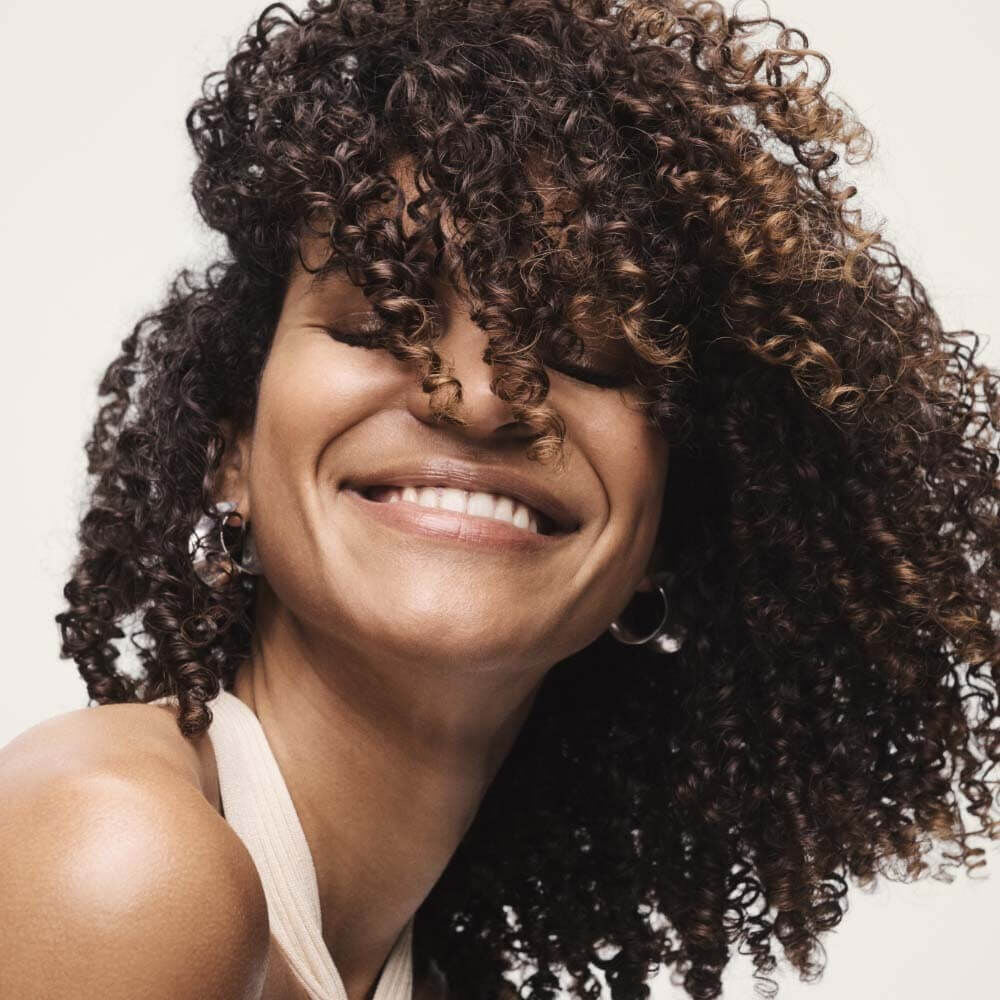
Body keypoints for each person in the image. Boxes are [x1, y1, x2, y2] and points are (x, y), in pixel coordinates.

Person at [2, 0, 998, 998]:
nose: (476, 398)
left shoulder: (405, 967)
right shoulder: (120, 863)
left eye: (584, 352)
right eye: (383, 319)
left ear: (671, 525)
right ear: (231, 448)